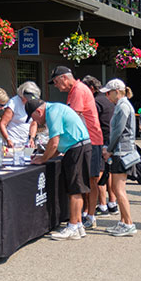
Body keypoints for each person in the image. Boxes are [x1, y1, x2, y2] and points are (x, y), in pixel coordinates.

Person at [28, 98, 91, 240]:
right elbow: (58, 146)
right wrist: (45, 157)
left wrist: (43, 159)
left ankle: (73, 226)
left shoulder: (52, 112)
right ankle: (78, 225)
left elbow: (54, 142)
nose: (37, 122)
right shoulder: (55, 108)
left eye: (35, 118)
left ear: (39, 111)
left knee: (75, 189)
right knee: (75, 189)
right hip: (76, 148)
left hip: (77, 149)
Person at [50, 66, 103, 230]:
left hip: (90, 140)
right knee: (86, 180)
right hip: (87, 140)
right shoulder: (74, 90)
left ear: (64, 78)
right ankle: (86, 213)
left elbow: (72, 117)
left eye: (56, 83)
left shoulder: (79, 90)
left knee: (90, 180)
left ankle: (90, 215)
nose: (57, 87)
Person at [101, 79, 139, 237]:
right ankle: (123, 222)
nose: (107, 96)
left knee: (118, 189)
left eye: (108, 93)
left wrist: (108, 149)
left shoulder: (122, 106)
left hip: (121, 151)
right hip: (122, 150)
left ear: (117, 92)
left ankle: (128, 223)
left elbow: (118, 131)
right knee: (118, 188)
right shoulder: (123, 105)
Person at [82, 75, 118, 217]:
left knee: (100, 173)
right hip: (111, 139)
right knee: (108, 172)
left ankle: (102, 205)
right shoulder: (108, 100)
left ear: (91, 88)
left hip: (101, 140)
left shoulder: (96, 101)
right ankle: (112, 203)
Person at [0, 81, 40, 148]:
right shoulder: (13, 103)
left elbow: (33, 123)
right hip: (12, 141)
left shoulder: (34, 104)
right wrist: (8, 139)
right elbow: (2, 124)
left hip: (25, 142)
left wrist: (32, 138)